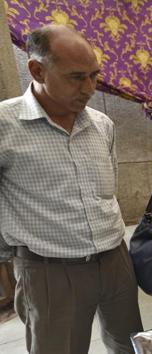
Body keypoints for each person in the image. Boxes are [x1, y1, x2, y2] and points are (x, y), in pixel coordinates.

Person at [0, 25, 142, 354]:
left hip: (114, 261)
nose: (89, 88)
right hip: (50, 271)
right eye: (77, 77)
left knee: (129, 344)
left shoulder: (101, 124)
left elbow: (108, 190)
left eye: (94, 76)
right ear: (37, 69)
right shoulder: (6, 127)